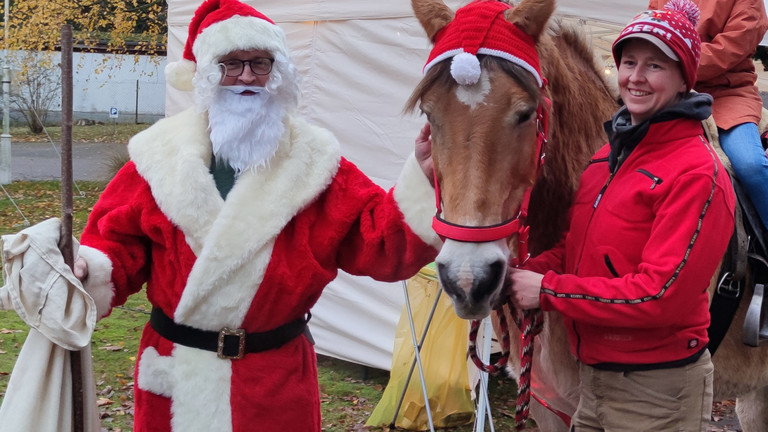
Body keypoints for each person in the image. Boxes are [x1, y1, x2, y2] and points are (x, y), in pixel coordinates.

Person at [70, 0, 441, 430]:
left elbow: (383, 245)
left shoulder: (316, 165)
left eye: (260, 63)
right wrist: (89, 269)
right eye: (231, 63)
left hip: (275, 385)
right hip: (177, 382)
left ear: (277, 73)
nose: (247, 77)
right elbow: (116, 243)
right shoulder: (157, 159)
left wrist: (424, 179)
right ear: (206, 74)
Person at [505, 1, 736, 430]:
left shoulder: (698, 172)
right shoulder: (606, 159)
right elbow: (572, 248)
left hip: (655, 394)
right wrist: (519, 275)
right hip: (593, 382)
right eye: (629, 62)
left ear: (684, 77)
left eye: (655, 66)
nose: (635, 77)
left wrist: (548, 290)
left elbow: (658, 296)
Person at [648, 0, 768, 231]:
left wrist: (673, 59)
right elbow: (653, 29)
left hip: (728, 95)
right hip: (671, 90)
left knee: (750, 164)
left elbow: (731, 48)